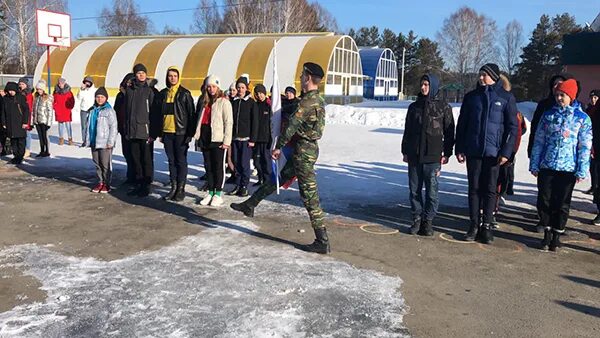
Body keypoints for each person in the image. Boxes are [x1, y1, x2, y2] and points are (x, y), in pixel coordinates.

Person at [230, 62, 329, 254]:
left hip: (303, 152)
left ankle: (322, 240)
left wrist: (278, 146)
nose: (300, 78)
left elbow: (291, 126)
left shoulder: (306, 103)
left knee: (310, 197)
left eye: (302, 75)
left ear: (308, 78)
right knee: (279, 178)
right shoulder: (317, 99)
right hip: (308, 149)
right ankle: (250, 204)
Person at [455, 63, 518, 244]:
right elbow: (462, 125)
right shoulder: (471, 97)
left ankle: (487, 226)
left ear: (494, 76)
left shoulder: (505, 98)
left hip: (494, 153)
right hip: (474, 151)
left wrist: (506, 152)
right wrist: (460, 148)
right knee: (473, 189)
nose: (481, 78)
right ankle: (473, 224)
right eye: (480, 75)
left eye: (485, 75)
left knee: (490, 190)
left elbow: (512, 128)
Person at [529, 79, 592, 252]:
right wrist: (535, 163)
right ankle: (546, 232)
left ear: (571, 96)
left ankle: (557, 234)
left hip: (568, 169)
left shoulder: (582, 119)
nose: (558, 98)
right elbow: (539, 141)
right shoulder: (548, 115)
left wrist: (582, 169)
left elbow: (584, 146)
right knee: (545, 200)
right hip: (547, 166)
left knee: (562, 203)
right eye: (557, 95)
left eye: (562, 95)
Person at [401, 74, 455, 236]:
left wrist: (447, 153)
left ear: (433, 86)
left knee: (432, 192)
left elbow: (450, 132)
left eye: (426, 84)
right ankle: (417, 218)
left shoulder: (443, 107)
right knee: (414, 191)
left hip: (433, 156)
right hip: (414, 155)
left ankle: (428, 220)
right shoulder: (414, 107)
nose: (423, 87)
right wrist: (405, 151)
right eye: (422, 84)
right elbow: (407, 131)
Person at [150, 66, 197, 201]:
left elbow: (191, 114)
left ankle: (181, 189)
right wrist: (158, 132)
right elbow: (157, 114)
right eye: (170, 76)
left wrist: (189, 133)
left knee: (180, 161)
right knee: (171, 161)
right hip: (167, 132)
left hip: (180, 132)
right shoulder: (163, 93)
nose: (172, 78)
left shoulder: (184, 94)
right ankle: (173, 187)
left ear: (179, 77)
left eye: (175, 76)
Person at [194, 75, 233, 207]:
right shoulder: (204, 101)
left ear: (218, 87)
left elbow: (229, 123)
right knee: (208, 166)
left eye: (214, 86)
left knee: (218, 167)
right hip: (205, 137)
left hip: (217, 138)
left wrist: (226, 140)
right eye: (209, 87)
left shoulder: (224, 102)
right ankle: (210, 191)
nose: (211, 89)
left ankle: (218, 193)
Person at [125, 64, 156, 197]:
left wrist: (153, 132)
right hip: (132, 131)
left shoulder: (150, 91)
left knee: (146, 159)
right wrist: (127, 130)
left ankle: (146, 185)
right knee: (136, 159)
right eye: (138, 73)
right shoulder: (130, 90)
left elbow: (154, 113)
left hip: (145, 131)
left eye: (143, 73)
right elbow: (127, 112)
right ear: (135, 75)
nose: (141, 75)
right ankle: (138, 183)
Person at [227, 76, 259, 197]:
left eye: (242, 87)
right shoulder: (233, 102)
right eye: (238, 87)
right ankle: (238, 184)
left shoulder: (251, 103)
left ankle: (245, 185)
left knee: (244, 163)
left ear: (246, 88)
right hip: (234, 138)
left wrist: (253, 139)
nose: (240, 90)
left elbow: (255, 122)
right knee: (236, 162)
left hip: (246, 139)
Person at [83, 87, 118, 193]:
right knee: (97, 163)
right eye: (98, 97)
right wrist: (87, 139)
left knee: (105, 163)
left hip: (105, 142)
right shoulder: (92, 110)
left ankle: (107, 184)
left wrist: (111, 142)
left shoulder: (109, 111)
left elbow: (113, 127)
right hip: (94, 141)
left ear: (106, 98)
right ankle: (100, 182)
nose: (100, 99)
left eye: (102, 97)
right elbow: (88, 126)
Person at [114, 73, 136, 185]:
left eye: (131, 82)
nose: (129, 83)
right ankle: (130, 175)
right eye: (127, 81)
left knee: (135, 154)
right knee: (126, 152)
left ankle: (137, 177)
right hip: (123, 128)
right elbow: (116, 111)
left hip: (134, 129)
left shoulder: (136, 94)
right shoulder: (120, 95)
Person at [0, 82, 29, 165]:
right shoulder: (5, 99)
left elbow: (26, 110)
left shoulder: (21, 97)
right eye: (9, 90)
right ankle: (16, 156)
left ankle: (20, 156)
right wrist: (4, 122)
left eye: (12, 90)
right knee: (13, 141)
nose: (11, 92)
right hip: (10, 123)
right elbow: (3, 112)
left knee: (20, 140)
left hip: (19, 122)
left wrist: (25, 122)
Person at [253, 84, 273, 186]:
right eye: (258, 93)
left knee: (266, 161)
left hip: (266, 138)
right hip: (256, 138)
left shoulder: (269, 106)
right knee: (256, 161)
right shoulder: (255, 105)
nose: (260, 95)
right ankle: (260, 178)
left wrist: (271, 138)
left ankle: (267, 180)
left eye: (261, 93)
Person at [32, 80, 54, 158]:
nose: (39, 91)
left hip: (44, 120)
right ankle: (42, 150)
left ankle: (47, 151)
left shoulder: (47, 98)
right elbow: (34, 110)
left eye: (40, 89)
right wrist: (33, 120)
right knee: (40, 137)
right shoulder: (36, 97)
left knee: (45, 137)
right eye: (37, 89)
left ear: (43, 90)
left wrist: (49, 122)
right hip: (38, 120)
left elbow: (50, 111)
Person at [585, 89, 599, 195]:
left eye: (595, 97)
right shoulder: (588, 110)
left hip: (597, 140)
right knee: (591, 166)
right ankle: (594, 186)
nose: (593, 100)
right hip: (590, 140)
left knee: (596, 167)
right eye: (592, 97)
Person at [75, 76, 96, 147]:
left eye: (88, 83)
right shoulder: (82, 90)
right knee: (84, 126)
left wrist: (94, 107)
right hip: (83, 109)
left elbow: (96, 99)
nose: (87, 84)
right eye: (85, 82)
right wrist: (81, 90)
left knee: (90, 125)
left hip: (91, 109)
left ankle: (91, 140)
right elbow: (79, 97)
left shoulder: (94, 90)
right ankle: (84, 140)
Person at [53, 78, 75, 146]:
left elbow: (72, 100)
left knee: (68, 126)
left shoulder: (69, 92)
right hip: (59, 110)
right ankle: (61, 138)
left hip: (66, 110)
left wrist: (70, 107)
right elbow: (53, 100)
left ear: (64, 83)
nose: (60, 85)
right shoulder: (56, 92)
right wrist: (55, 107)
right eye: (59, 83)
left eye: (62, 83)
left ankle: (70, 139)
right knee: (60, 125)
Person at [17, 77, 33, 158]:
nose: (21, 86)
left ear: (26, 85)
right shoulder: (18, 93)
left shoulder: (28, 94)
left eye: (23, 84)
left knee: (27, 133)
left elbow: (29, 107)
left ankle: (27, 149)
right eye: (20, 84)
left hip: (26, 115)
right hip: (19, 115)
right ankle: (21, 149)